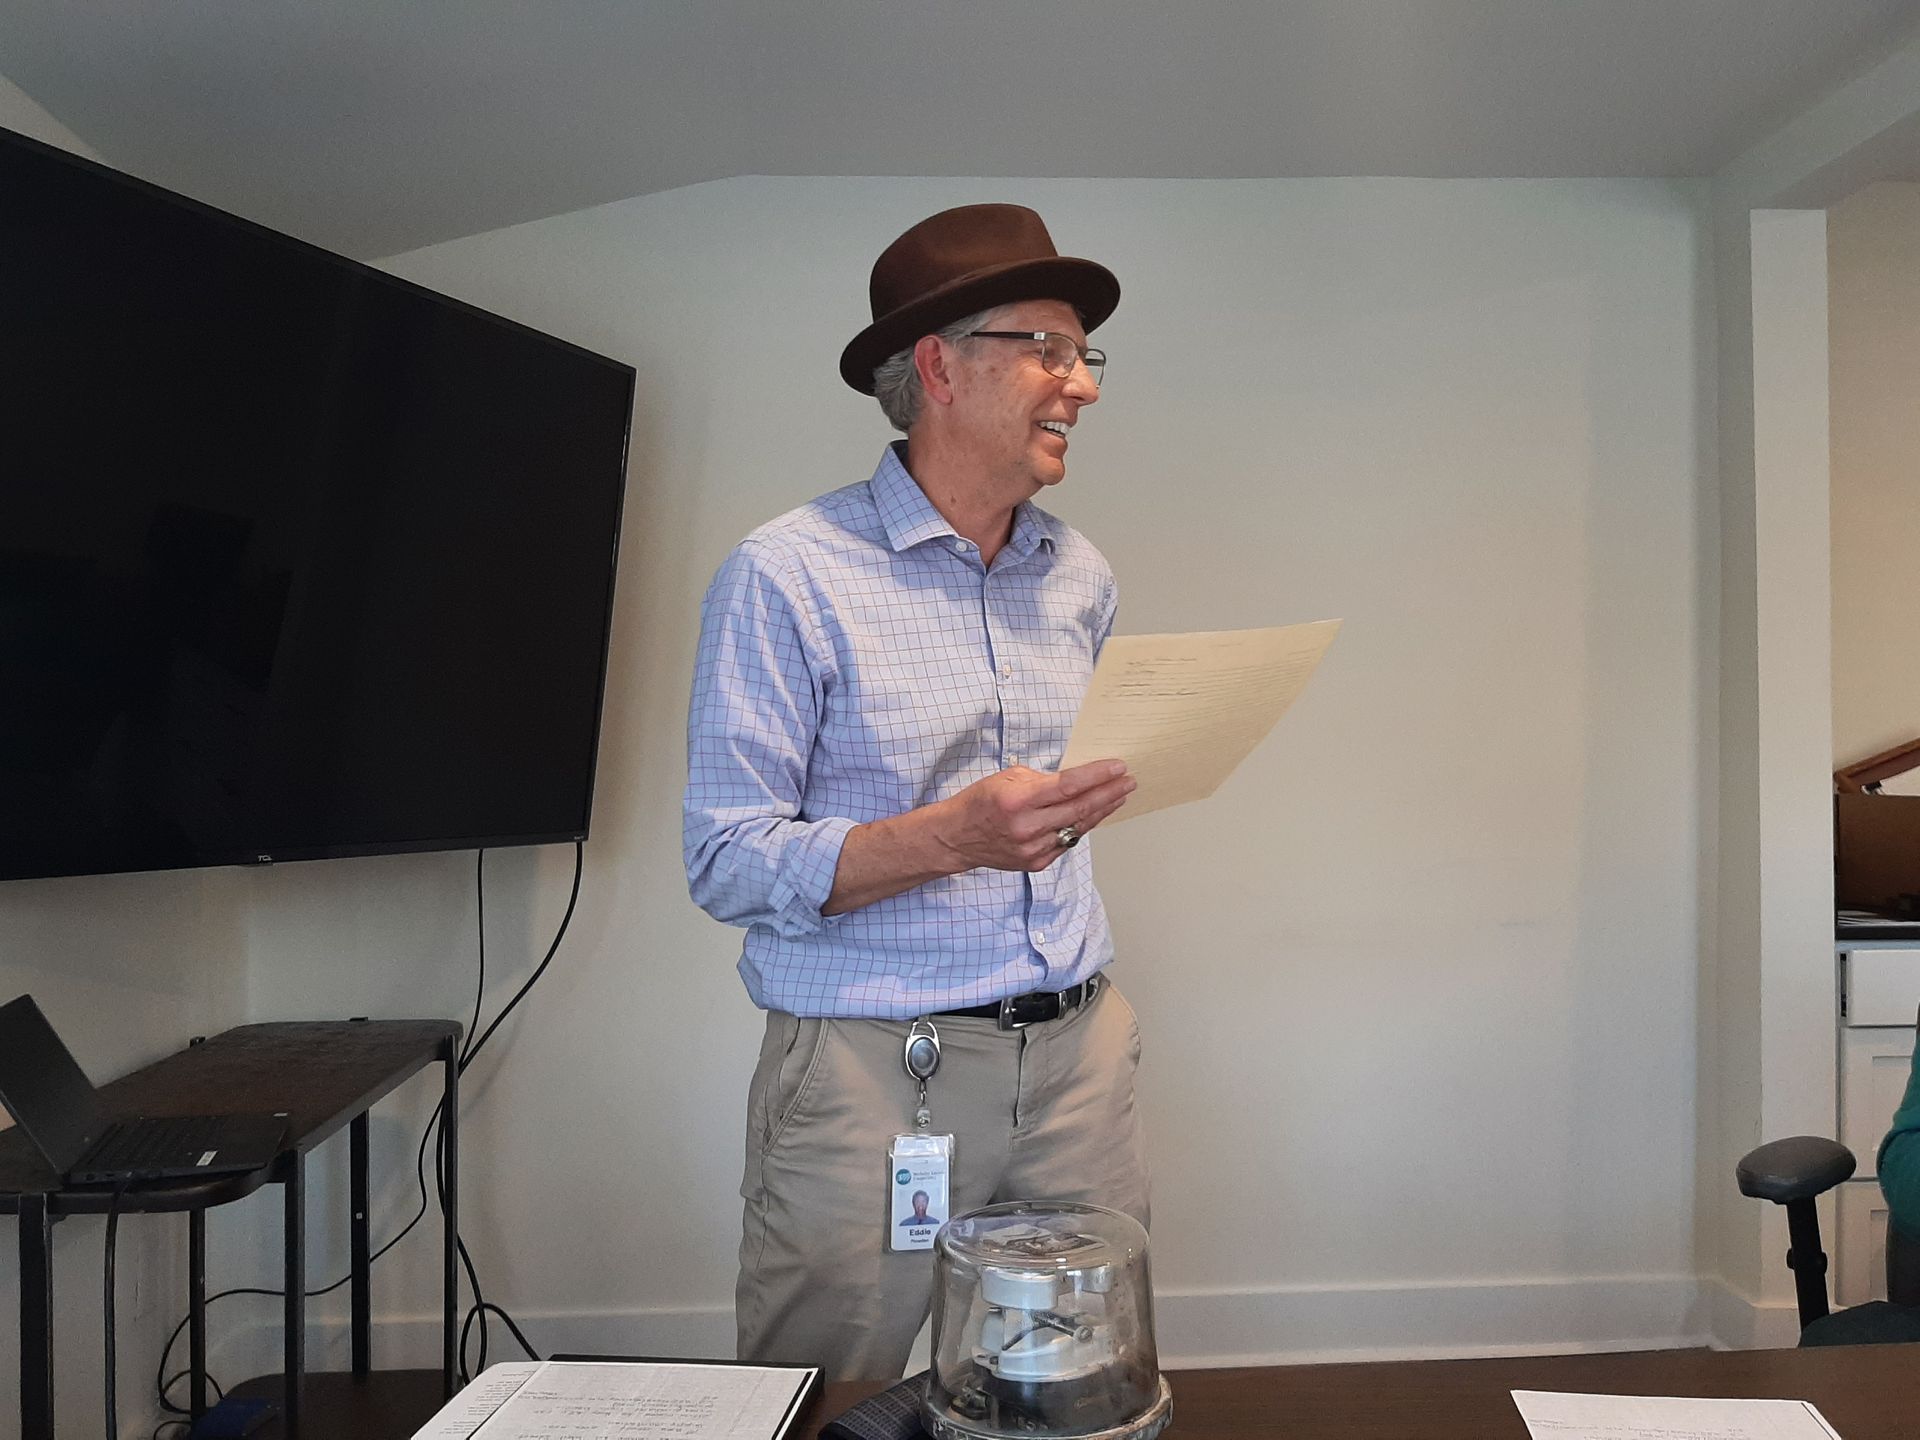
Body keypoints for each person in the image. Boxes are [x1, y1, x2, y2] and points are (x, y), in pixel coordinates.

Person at [684, 203, 1151, 1381]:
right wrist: (951, 837)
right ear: (939, 366)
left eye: (1085, 353)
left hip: (1079, 1061)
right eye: (1048, 348)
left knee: (1069, 1393)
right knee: (825, 1396)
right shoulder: (785, 575)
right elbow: (726, 860)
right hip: (869, 1077)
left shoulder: (1079, 574)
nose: (1082, 384)